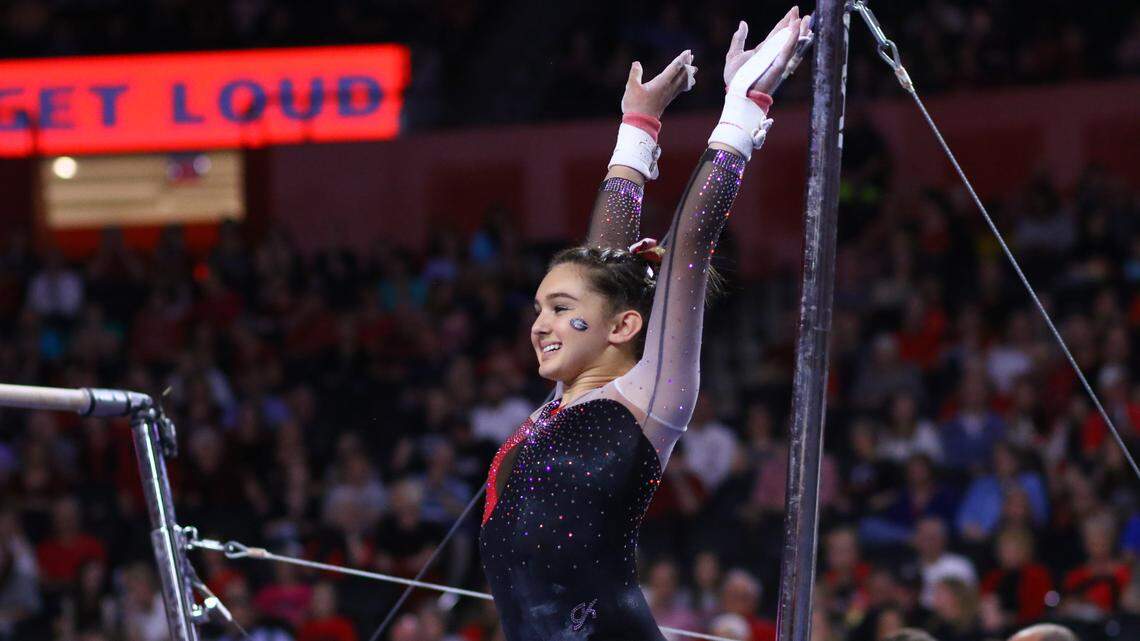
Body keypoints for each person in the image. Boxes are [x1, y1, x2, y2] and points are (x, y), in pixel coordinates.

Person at [478, 8, 812, 641]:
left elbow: (689, 245)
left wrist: (742, 110)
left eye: (560, 309)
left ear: (624, 326)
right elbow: (602, 265)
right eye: (540, 308)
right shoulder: (560, 403)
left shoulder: (651, 396)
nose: (540, 325)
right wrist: (637, 127)